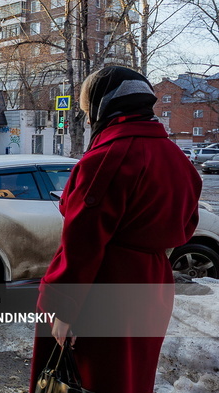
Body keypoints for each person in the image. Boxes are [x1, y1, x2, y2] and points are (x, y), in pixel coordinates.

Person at [29, 66, 201, 393]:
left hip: (103, 289)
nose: (88, 119)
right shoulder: (177, 158)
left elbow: (83, 242)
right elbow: (187, 224)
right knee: (133, 378)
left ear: (103, 105)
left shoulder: (109, 158)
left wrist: (64, 308)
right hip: (153, 287)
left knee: (91, 379)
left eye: (88, 109)